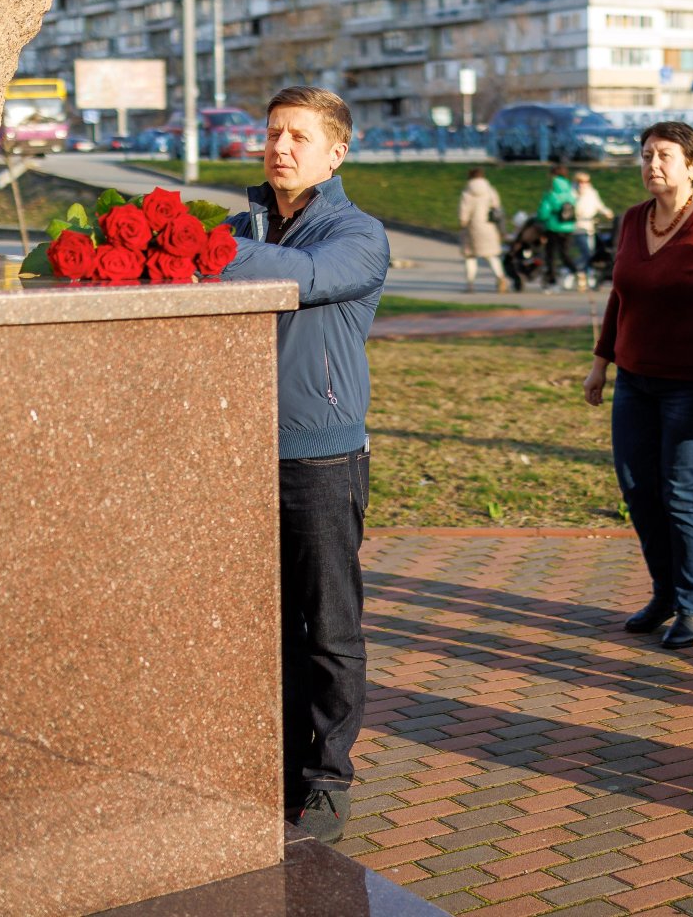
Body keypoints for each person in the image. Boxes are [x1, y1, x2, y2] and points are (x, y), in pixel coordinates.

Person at [217, 86, 391, 845]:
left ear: (335, 152)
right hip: (237, 456)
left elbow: (302, 279)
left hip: (319, 459)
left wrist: (198, 249)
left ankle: (326, 779)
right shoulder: (239, 225)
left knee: (326, 628)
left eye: (297, 136)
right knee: (256, 627)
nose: (279, 146)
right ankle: (271, 760)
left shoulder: (359, 234)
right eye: (272, 133)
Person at [584, 122, 693, 649]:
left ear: (692, 165)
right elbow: (619, 295)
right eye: (646, 155)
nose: (652, 164)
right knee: (638, 489)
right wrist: (601, 362)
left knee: (684, 494)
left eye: (664, 156)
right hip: (633, 381)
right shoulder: (632, 220)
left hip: (689, 387)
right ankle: (665, 594)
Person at [458, 166, 507, 292]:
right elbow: (497, 208)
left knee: (470, 256)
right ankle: (500, 278)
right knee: (491, 255)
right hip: (489, 226)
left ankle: (470, 284)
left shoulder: (467, 193)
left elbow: (463, 214)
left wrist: (462, 224)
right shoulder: (490, 190)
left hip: (472, 228)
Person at [536, 165, 580, 290]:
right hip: (569, 227)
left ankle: (552, 280)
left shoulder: (551, 192)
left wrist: (540, 218)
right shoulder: (570, 191)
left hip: (554, 227)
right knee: (565, 253)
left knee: (551, 255)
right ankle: (577, 271)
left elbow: (544, 212)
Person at [572, 169, 610, 274]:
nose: (583, 184)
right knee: (586, 253)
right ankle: (571, 269)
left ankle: (586, 274)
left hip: (590, 227)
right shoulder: (572, 193)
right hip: (578, 227)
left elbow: (599, 205)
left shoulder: (592, 192)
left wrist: (607, 212)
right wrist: (579, 195)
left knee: (591, 252)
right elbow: (572, 209)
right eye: (580, 181)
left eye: (585, 181)